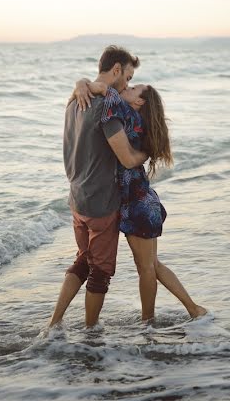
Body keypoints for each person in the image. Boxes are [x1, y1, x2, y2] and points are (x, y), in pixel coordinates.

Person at [72, 80, 207, 323]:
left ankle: (149, 322)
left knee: (146, 268)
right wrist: (82, 83)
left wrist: (94, 86)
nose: (128, 86)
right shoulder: (136, 123)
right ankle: (193, 309)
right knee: (152, 265)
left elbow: (108, 99)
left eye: (134, 89)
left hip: (138, 205)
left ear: (139, 101)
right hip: (140, 202)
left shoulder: (131, 119)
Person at [48, 46, 147, 329]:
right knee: (101, 272)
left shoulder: (73, 100)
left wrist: (82, 82)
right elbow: (127, 159)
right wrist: (146, 154)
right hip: (101, 202)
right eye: (127, 77)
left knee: (82, 261)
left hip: (77, 198)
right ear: (116, 70)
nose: (127, 84)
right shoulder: (107, 106)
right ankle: (91, 336)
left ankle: (54, 323)